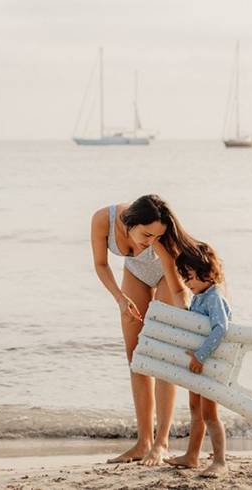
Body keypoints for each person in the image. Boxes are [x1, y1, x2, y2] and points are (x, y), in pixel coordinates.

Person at [89, 194, 197, 465]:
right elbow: (100, 264)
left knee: (160, 356)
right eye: (146, 235)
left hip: (167, 275)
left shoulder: (160, 237)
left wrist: (186, 313)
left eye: (156, 237)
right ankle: (143, 442)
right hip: (136, 272)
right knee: (136, 358)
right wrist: (119, 298)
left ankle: (162, 443)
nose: (150, 241)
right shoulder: (102, 220)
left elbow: (176, 282)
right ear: (130, 222)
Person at [165, 241, 231, 478]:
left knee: (210, 414)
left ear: (207, 272)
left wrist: (201, 356)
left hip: (209, 363)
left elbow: (221, 328)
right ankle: (191, 456)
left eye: (191, 277)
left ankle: (220, 461)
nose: (187, 283)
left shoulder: (214, 296)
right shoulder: (199, 296)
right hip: (197, 364)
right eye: (185, 278)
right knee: (195, 409)